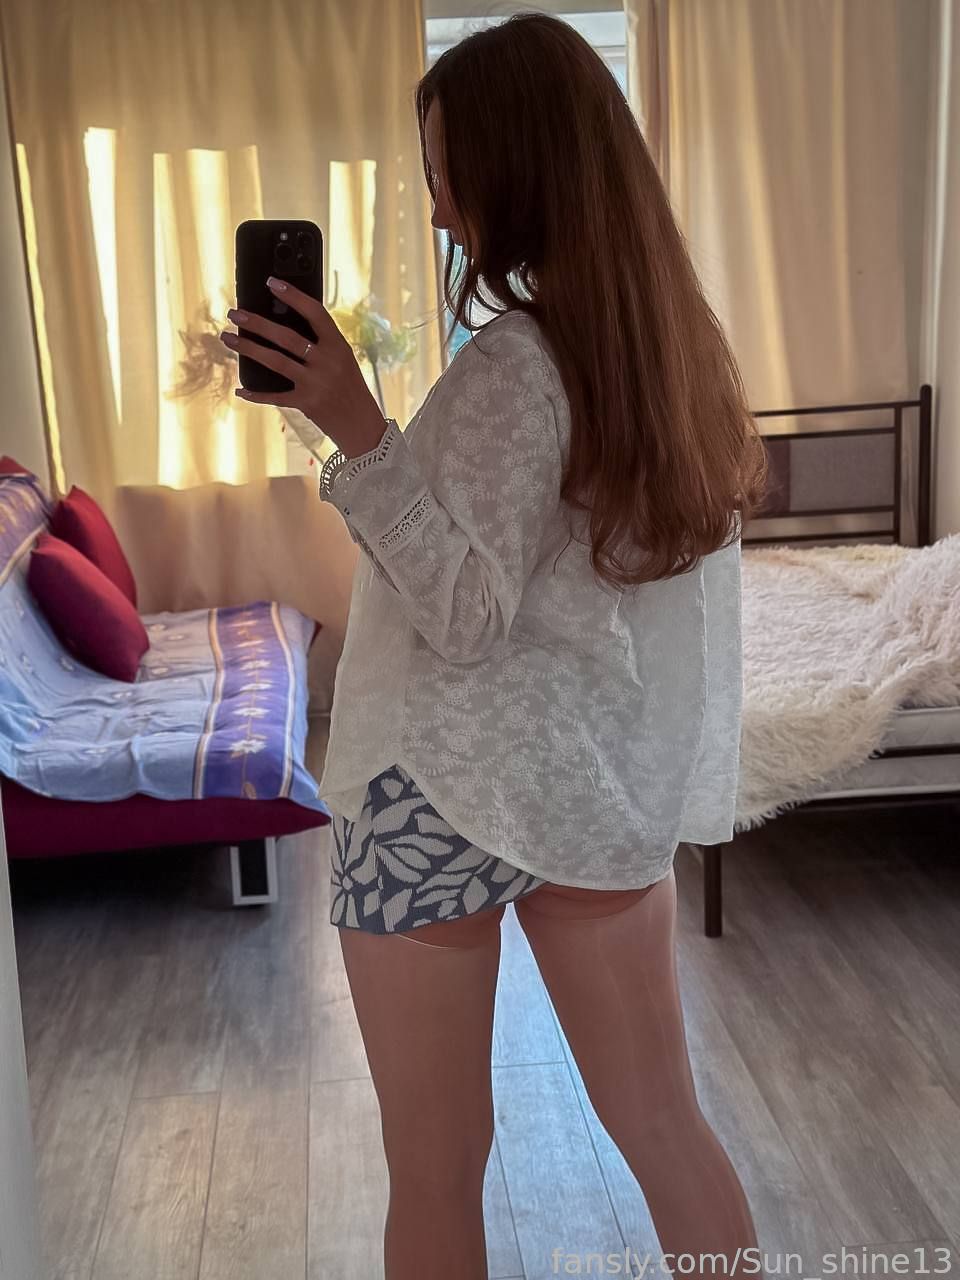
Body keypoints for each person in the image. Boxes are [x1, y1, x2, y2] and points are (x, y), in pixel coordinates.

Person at [224, 12, 769, 1279]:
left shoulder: (516, 363)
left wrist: (359, 428)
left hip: (434, 786)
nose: (436, 206)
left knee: (434, 1169)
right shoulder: (658, 350)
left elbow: (462, 614)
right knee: (666, 1125)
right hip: (580, 781)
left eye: (443, 172)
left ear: (513, 167)